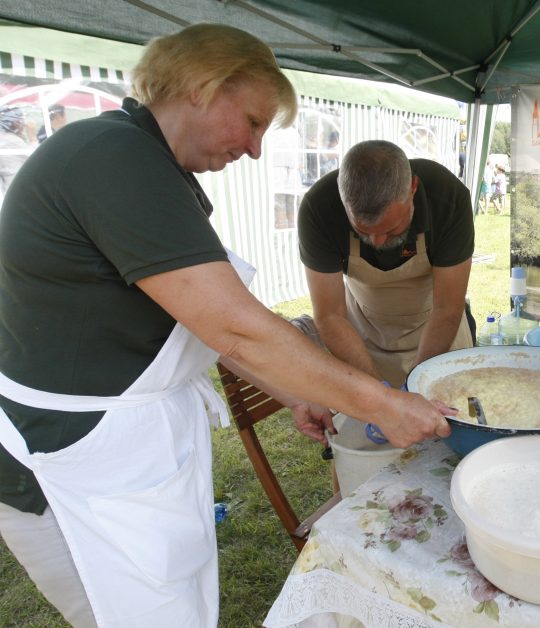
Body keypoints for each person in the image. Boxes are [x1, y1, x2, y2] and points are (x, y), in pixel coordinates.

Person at [0, 24, 452, 628]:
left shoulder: (153, 170)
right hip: (68, 459)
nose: (257, 149)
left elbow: (199, 321)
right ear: (204, 86)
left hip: (128, 449)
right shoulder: (111, 159)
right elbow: (238, 328)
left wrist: (294, 391)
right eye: (255, 121)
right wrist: (381, 404)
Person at [297, 139, 475, 389]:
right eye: (362, 231)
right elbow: (330, 316)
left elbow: (447, 307)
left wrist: (418, 385)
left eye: (391, 230)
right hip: (363, 337)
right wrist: (376, 390)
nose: (377, 241)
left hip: (438, 330)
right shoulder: (318, 209)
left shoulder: (447, 198)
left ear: (412, 189)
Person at [0, 105, 31, 202]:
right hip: (19, 192)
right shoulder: (12, 141)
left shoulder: (4, 139)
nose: (23, 124)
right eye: (21, 120)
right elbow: (36, 161)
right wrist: (33, 138)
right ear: (14, 122)